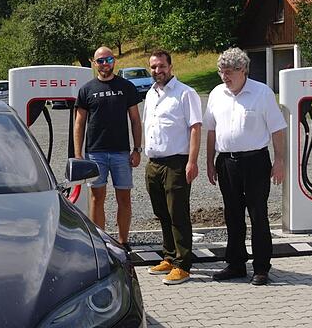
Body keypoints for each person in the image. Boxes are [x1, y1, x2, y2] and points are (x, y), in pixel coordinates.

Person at [204, 47, 287, 286]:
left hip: (255, 162)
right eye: (222, 72)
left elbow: (277, 129)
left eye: (229, 72)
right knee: (232, 214)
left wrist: (279, 160)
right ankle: (236, 264)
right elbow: (211, 130)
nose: (224, 77)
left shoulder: (262, 93)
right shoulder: (217, 94)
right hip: (226, 162)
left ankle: (261, 267)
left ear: (244, 70)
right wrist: (209, 162)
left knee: (258, 214)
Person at [74, 46, 142, 252]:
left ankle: (123, 241)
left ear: (114, 62)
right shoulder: (87, 89)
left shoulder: (126, 87)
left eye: (109, 60)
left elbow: (136, 120)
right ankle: (100, 242)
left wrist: (137, 149)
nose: (105, 64)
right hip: (96, 152)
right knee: (97, 198)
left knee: (124, 198)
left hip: (121, 152)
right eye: (101, 61)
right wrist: (78, 155)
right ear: (94, 63)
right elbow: (79, 123)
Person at [143, 50, 202, 285]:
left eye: (161, 66)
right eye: (154, 67)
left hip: (176, 163)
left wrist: (192, 161)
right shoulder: (150, 94)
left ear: (171, 66)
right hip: (154, 163)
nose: (158, 71)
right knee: (162, 213)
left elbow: (196, 128)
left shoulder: (185, 93)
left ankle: (183, 264)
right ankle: (168, 257)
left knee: (178, 214)